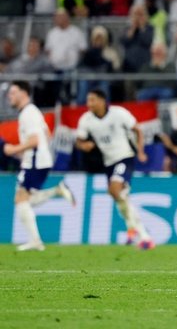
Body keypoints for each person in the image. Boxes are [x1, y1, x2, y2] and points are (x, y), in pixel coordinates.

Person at [75, 89, 154, 249]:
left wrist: (140, 151)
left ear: (102, 100)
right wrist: (85, 145)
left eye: (92, 100)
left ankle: (145, 236)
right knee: (119, 195)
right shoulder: (86, 119)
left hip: (125, 156)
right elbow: (79, 141)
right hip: (108, 162)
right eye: (88, 100)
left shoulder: (119, 113)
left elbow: (137, 130)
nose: (89, 104)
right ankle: (131, 228)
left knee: (115, 189)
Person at [3, 81, 76, 251]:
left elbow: (35, 140)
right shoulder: (33, 112)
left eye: (13, 92)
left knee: (20, 199)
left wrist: (15, 149)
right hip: (39, 159)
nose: (10, 96)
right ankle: (58, 190)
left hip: (35, 160)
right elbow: (46, 134)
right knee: (27, 200)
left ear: (24, 93)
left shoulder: (28, 113)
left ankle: (35, 241)